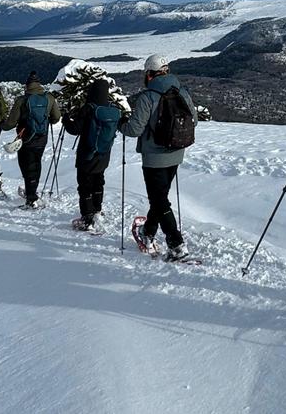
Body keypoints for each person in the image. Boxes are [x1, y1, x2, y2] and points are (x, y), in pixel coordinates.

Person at [119, 54, 196, 260]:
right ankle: (148, 232)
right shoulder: (182, 92)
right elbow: (194, 121)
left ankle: (176, 244)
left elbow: (134, 129)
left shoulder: (148, 97)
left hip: (154, 157)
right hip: (177, 153)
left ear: (150, 74)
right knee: (159, 197)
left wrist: (121, 124)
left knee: (160, 200)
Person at [62, 78, 121, 230]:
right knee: (98, 181)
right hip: (103, 154)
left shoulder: (89, 108)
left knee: (85, 185)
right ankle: (97, 210)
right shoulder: (111, 109)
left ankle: (87, 217)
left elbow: (75, 129)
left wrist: (66, 119)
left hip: (86, 154)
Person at [1, 71, 60, 206]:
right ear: (39, 85)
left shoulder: (22, 100)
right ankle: (31, 191)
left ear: (27, 86)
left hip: (26, 137)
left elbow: (10, 123)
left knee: (26, 165)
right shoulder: (49, 98)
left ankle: (31, 197)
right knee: (36, 164)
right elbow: (56, 117)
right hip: (42, 137)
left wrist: (1, 125)